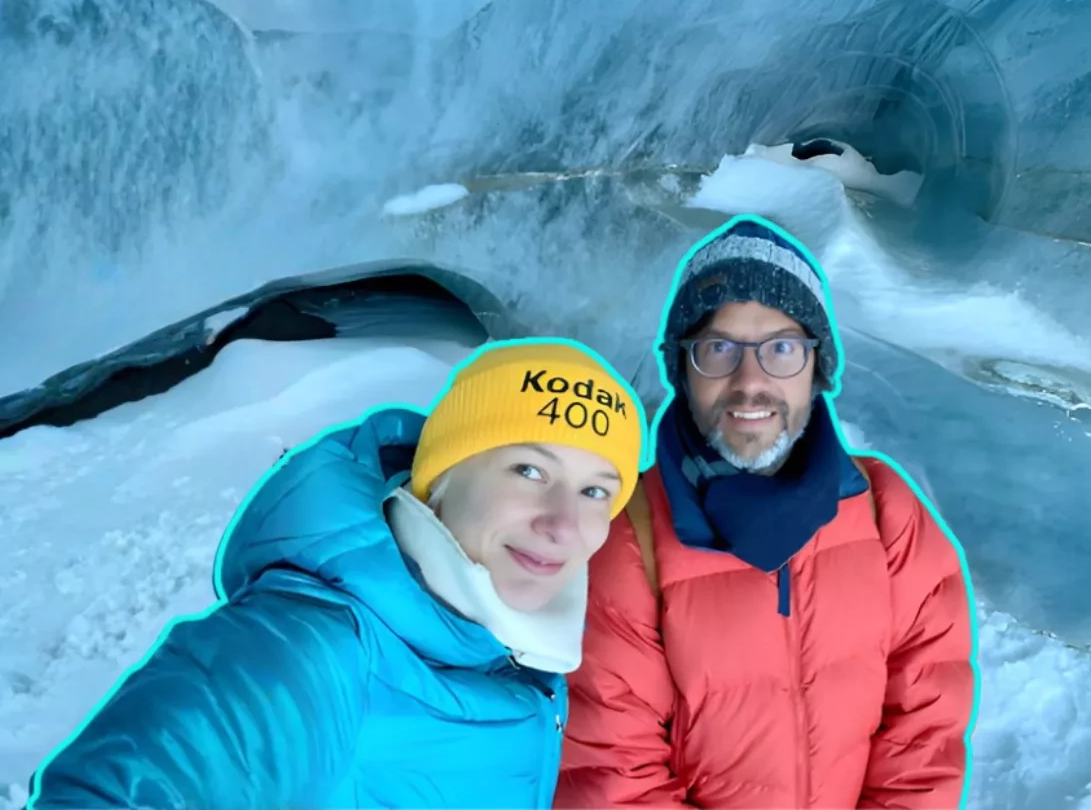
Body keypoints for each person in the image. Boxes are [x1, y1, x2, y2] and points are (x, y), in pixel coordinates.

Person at [27, 337, 646, 809]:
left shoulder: (512, 646)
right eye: (529, 472)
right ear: (443, 478)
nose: (564, 524)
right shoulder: (317, 642)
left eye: (596, 492)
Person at [555, 215, 979, 809]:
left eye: (781, 347)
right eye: (718, 348)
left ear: (816, 369)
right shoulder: (630, 541)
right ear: (683, 368)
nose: (750, 381)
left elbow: (924, 730)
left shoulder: (886, 513)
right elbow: (612, 773)